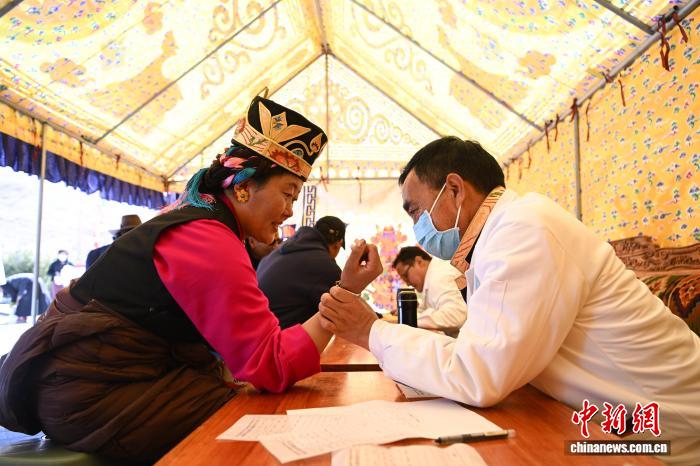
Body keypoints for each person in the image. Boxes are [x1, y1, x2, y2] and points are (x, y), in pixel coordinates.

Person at [318, 136, 700, 465]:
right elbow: (485, 355)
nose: (417, 228)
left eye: (416, 211)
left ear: (454, 189)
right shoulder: (499, 235)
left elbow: (479, 374)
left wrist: (371, 331)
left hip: (666, 436)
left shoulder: (524, 228)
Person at [0, 93, 331, 462]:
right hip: (92, 392)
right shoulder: (208, 238)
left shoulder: (198, 218)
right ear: (245, 185)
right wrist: (336, 309)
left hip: (88, 380)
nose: (289, 211)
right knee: (250, 425)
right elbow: (270, 363)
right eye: (288, 194)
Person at [257, 216, 345, 329]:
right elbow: (343, 315)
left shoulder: (284, 248)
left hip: (254, 328)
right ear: (338, 244)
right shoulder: (326, 267)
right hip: (275, 335)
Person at [393, 246, 467, 337]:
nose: (407, 284)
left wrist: (408, 319)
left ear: (419, 261)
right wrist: (407, 312)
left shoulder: (440, 276)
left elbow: (455, 316)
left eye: (405, 276)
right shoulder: (431, 278)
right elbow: (427, 310)